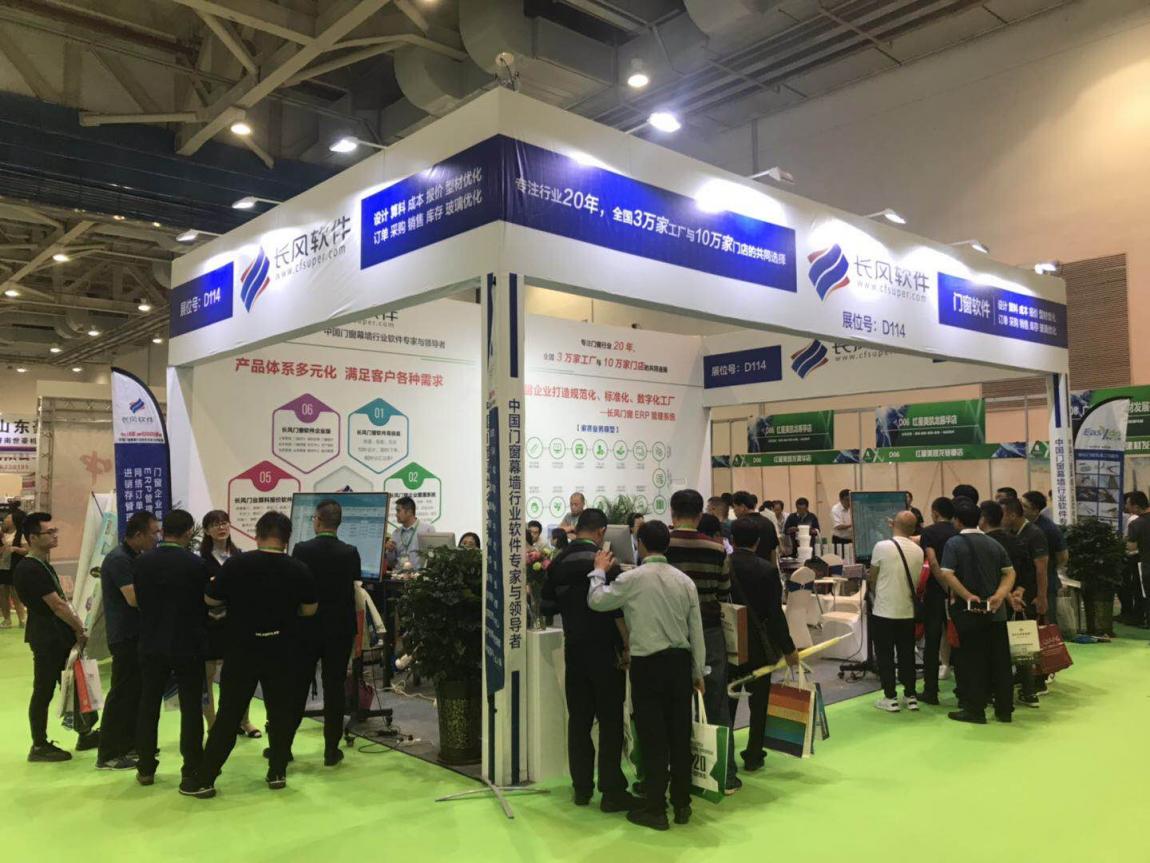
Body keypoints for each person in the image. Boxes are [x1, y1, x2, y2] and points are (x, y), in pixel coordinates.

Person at [189, 512, 317, 798]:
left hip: (242, 649)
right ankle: (277, 772)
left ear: (257, 535)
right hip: (282, 650)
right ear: (286, 539)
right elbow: (310, 609)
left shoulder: (237, 564)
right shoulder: (299, 568)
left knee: (229, 714)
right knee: (280, 712)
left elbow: (210, 598)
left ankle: (206, 777)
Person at [587, 521, 705, 831]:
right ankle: (682, 803)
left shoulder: (632, 579)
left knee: (653, 737)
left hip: (648, 665)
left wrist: (598, 571)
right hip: (680, 663)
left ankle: (655, 807)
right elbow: (696, 631)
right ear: (667, 545)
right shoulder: (684, 581)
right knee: (680, 735)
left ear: (639, 544)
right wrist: (698, 671)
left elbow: (597, 601)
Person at [541, 508, 635, 812]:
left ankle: (581, 788)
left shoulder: (557, 562)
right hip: (606, 650)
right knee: (610, 721)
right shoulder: (604, 563)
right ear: (601, 532)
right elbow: (618, 608)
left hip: (575, 649)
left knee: (579, 721)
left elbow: (546, 605)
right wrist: (627, 645)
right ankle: (611, 790)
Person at [665, 489, 738, 793]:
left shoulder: (662, 545)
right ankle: (724, 774)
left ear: (673, 513)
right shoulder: (717, 549)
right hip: (709, 631)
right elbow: (724, 593)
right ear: (700, 515)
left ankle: (672, 772)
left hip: (669, 632)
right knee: (716, 700)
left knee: (670, 702)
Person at [133, 509, 209, 792]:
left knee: (148, 704)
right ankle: (191, 768)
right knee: (191, 707)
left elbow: (140, 601)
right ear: (189, 532)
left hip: (151, 642)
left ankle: (145, 767)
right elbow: (204, 603)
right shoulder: (196, 564)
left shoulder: (142, 562)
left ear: (164, 530)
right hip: (188, 644)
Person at [14, 512, 98, 761]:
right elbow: (57, 605)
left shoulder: (42, 565)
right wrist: (79, 628)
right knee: (44, 689)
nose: (54, 536)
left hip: (57, 634)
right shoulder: (30, 568)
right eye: (48, 532)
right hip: (47, 637)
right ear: (32, 538)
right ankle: (39, 744)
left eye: (54, 531)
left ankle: (84, 732)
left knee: (72, 685)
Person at [290, 499, 361, 767]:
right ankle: (331, 749)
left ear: (318, 520)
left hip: (307, 626)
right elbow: (354, 584)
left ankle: (283, 747)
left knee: (298, 686)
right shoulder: (350, 552)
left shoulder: (301, 549)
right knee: (335, 688)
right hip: (340, 628)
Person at [726, 517, 798, 770]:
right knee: (759, 703)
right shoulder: (766, 570)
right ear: (757, 542)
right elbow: (775, 614)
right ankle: (754, 754)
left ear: (732, 539)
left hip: (730, 642)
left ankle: (726, 757)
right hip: (759, 643)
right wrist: (788, 648)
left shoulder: (724, 565)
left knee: (728, 701)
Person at [937, 498, 1016, 724]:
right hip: (996, 613)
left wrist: (966, 595)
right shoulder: (993, 543)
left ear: (957, 521)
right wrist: (1000, 595)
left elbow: (946, 573)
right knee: (1000, 662)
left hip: (970, 614)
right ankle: (1004, 710)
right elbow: (1009, 572)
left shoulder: (954, 543)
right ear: (979, 520)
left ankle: (975, 710)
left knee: (972, 662)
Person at [95, 510, 158, 770]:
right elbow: (133, 598)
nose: (157, 537)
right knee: (122, 693)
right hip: (125, 636)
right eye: (153, 533)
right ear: (139, 534)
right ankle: (109, 753)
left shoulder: (134, 557)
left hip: (137, 634)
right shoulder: (119, 559)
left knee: (135, 692)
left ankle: (130, 743)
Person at [198, 511, 260, 738]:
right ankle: (212, 724)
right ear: (207, 530)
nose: (221, 527)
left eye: (224, 523)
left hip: (236, 624)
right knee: (207, 677)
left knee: (239, 676)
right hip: (209, 624)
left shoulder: (239, 556)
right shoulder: (201, 560)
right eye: (215, 524)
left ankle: (244, 721)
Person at [867, 512, 924, 712]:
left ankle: (890, 696)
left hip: (884, 610)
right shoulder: (918, 551)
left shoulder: (881, 546)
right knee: (907, 654)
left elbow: (873, 577)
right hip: (907, 611)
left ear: (893, 524)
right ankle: (910, 695)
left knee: (885, 655)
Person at [997, 498, 1048, 707]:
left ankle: (1035, 685)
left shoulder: (1034, 534)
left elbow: (1041, 569)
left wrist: (1041, 596)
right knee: (1022, 643)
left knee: (1026, 642)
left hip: (1027, 597)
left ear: (1011, 514)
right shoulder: (1011, 535)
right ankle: (1028, 688)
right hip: (1018, 594)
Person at [918, 497, 957, 704]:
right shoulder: (958, 531)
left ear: (934, 513)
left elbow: (932, 563)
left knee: (932, 641)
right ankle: (964, 691)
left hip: (935, 593)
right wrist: (953, 590)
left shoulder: (929, 533)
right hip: (959, 593)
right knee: (958, 639)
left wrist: (945, 587)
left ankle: (930, 690)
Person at [1021, 491, 1067, 628]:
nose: (1020, 508)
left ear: (1036, 510)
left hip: (1047, 581)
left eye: (1024, 506)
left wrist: (1049, 568)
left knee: (1047, 623)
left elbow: (1063, 556)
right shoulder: (1021, 524)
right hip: (1027, 582)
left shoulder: (1049, 529)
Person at [731, 491, 779, 564]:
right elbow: (773, 551)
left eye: (734, 507)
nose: (734, 511)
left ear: (742, 507)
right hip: (766, 567)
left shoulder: (738, 524)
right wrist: (773, 568)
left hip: (744, 567)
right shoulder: (768, 523)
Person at [385, 496, 432, 571]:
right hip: (398, 575)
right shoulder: (396, 533)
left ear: (409, 512)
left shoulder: (427, 530)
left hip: (418, 576)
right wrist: (389, 551)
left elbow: (432, 559)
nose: (396, 515)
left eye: (398, 511)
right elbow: (390, 564)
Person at [1124, 492, 1150, 627]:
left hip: (1146, 564)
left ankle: (1146, 620)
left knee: (1145, 594)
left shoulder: (1136, 524)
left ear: (1136, 507)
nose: (1126, 507)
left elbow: (1131, 546)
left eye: (1128, 504)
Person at [0, 511, 27, 628]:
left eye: (8, 518)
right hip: (2, 566)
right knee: (2, 592)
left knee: (15, 592)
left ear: (14, 521)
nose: (5, 519)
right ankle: (7, 620)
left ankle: (22, 619)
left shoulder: (21, 534)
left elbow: (27, 550)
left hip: (16, 566)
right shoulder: (2, 534)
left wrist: (15, 549)